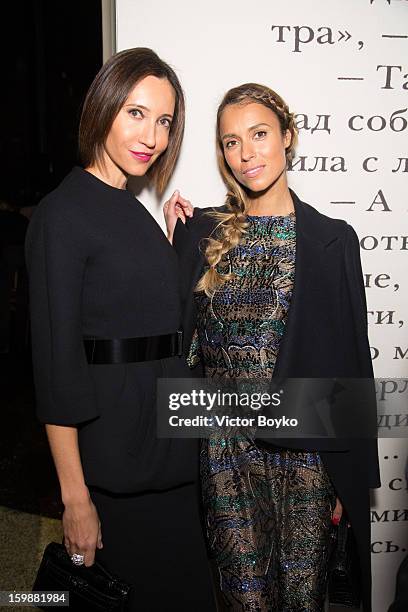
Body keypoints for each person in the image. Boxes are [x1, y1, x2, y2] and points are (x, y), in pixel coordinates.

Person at [165, 83, 380, 611]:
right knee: (243, 601)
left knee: (303, 602)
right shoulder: (202, 234)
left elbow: (352, 360)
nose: (246, 153)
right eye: (231, 142)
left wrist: (348, 480)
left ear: (287, 137)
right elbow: (176, 343)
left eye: (259, 134)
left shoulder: (334, 239)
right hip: (224, 453)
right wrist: (169, 244)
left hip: (307, 456)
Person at [25, 48, 215, 611]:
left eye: (164, 121)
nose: (151, 136)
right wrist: (74, 497)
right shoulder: (64, 213)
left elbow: (156, 320)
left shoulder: (134, 206)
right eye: (136, 113)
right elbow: (57, 367)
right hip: (117, 467)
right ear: (103, 107)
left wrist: (180, 246)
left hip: (172, 452)